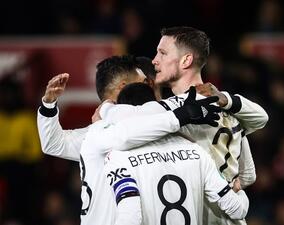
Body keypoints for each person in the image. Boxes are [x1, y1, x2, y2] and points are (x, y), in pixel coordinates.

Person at [98, 27, 269, 224]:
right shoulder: (228, 110)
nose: (154, 60)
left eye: (162, 53)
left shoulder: (172, 112)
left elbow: (124, 122)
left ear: (186, 61)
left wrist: (106, 108)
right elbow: (249, 175)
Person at [37, 55, 221, 224]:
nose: (149, 88)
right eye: (144, 83)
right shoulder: (99, 134)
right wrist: (184, 110)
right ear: (124, 87)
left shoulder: (99, 132)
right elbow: (53, 143)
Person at [81, 82, 249, 225]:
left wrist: (106, 109)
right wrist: (239, 192)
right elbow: (237, 210)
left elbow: (130, 217)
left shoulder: (117, 158)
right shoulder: (196, 151)